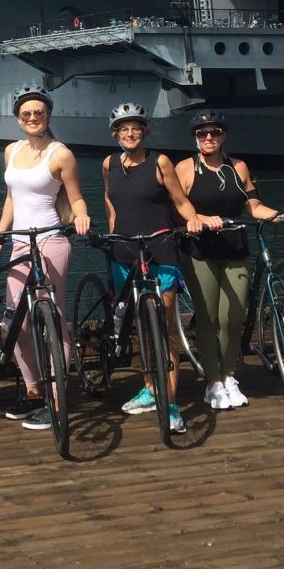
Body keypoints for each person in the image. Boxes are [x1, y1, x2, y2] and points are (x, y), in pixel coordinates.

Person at [0, 84, 91, 431]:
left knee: (53, 317)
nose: (33, 118)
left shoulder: (60, 154)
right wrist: (0, 234)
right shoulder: (11, 151)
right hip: (19, 242)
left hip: (50, 240)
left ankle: (58, 401)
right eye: (26, 114)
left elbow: (75, 197)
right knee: (14, 322)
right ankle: (34, 391)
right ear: (18, 119)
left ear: (48, 116)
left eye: (39, 113)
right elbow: (11, 198)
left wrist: (81, 216)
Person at [100, 102, 202, 435]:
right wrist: (112, 233)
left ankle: (170, 403)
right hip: (124, 251)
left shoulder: (159, 162)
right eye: (124, 128)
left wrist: (195, 220)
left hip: (160, 249)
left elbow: (179, 200)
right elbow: (110, 201)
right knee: (141, 324)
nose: (130, 133)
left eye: (136, 128)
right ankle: (148, 388)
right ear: (116, 134)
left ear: (145, 132)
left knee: (165, 325)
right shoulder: (109, 163)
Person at [175, 110, 284, 411]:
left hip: (234, 247)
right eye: (202, 133)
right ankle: (212, 382)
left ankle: (229, 376)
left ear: (224, 135)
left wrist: (277, 214)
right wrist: (198, 219)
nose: (209, 138)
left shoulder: (239, 167)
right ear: (195, 137)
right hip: (199, 250)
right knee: (208, 318)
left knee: (233, 317)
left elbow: (253, 205)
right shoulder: (185, 169)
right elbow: (176, 208)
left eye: (215, 132)